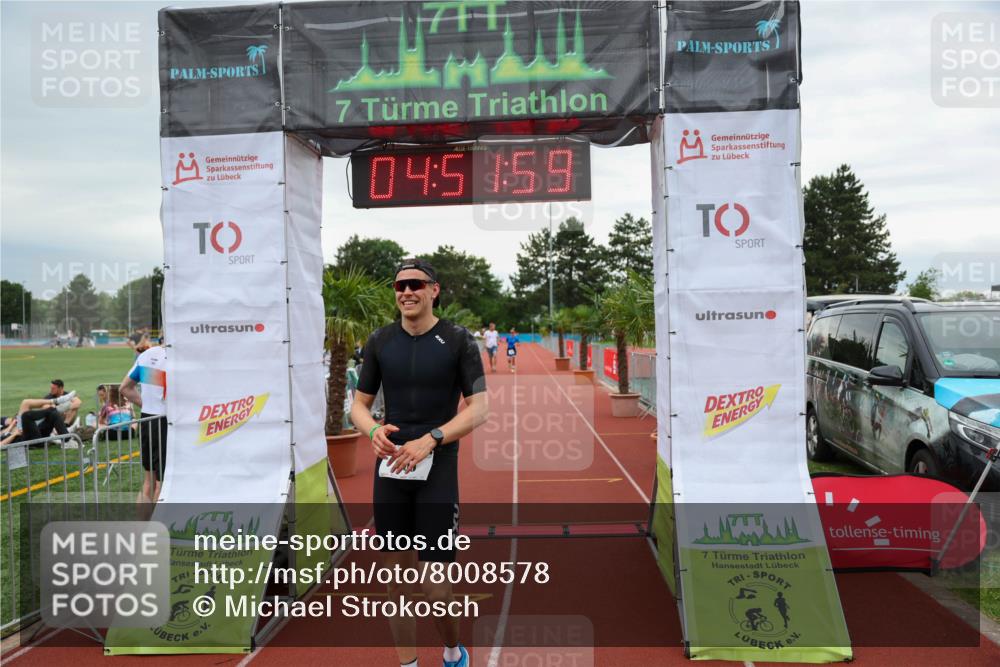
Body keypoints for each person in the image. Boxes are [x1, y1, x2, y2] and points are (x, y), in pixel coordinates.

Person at [350, 258, 487, 667]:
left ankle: (452, 652)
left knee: (435, 586)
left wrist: (433, 438)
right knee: (396, 583)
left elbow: (480, 409)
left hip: (437, 468)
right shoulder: (380, 341)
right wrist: (372, 432)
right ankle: (408, 664)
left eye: (415, 284)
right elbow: (359, 405)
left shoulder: (459, 340)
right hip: (391, 469)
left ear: (434, 290)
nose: (406, 292)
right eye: (399, 286)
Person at [120, 337, 167, 515]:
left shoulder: (148, 355)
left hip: (147, 420)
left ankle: (141, 527)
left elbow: (124, 388)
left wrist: (146, 405)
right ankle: (156, 527)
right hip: (165, 422)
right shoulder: (177, 359)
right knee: (161, 483)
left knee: (149, 481)